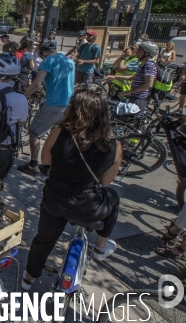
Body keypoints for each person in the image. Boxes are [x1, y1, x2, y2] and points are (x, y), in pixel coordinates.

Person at [21, 90, 122, 290]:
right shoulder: (113, 145)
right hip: (89, 205)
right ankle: (101, 247)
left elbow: (45, 160)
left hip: (55, 199)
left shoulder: (59, 132)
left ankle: (29, 277)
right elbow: (106, 182)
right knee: (114, 197)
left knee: (44, 239)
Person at [19, 43, 75, 176]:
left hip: (53, 104)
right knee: (56, 135)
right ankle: (48, 164)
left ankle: (33, 164)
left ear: (44, 52)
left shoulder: (48, 61)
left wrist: (24, 95)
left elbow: (37, 83)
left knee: (35, 133)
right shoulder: (69, 61)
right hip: (68, 104)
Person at [108, 41, 158, 111]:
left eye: (139, 50)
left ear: (147, 53)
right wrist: (115, 77)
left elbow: (149, 84)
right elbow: (133, 78)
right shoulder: (142, 64)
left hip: (139, 99)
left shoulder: (149, 65)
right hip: (134, 97)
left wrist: (129, 92)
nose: (137, 51)